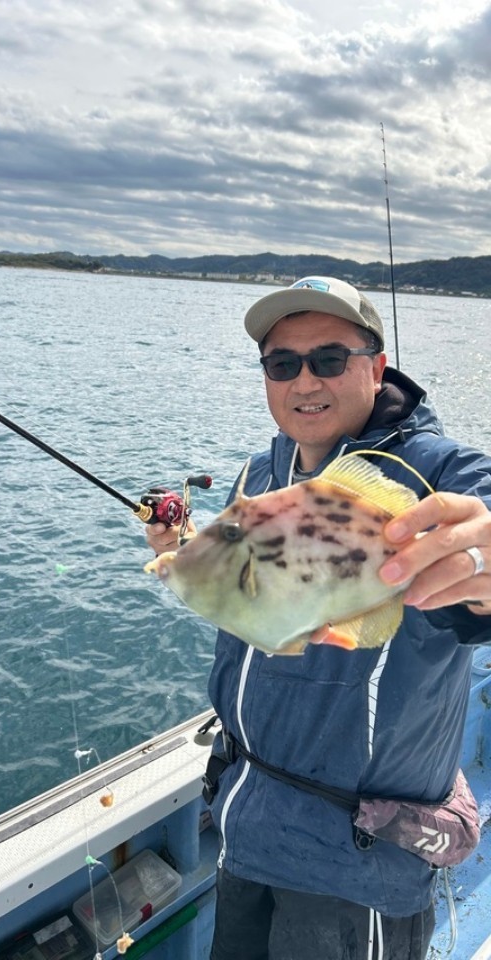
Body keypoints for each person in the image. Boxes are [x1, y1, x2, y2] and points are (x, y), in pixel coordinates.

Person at [145, 276, 491, 960]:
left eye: (330, 359)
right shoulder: (264, 473)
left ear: (377, 367)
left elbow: (479, 518)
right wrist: (186, 550)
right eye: (283, 364)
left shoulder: (436, 473)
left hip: (354, 859)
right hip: (247, 821)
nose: (305, 380)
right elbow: (262, 595)